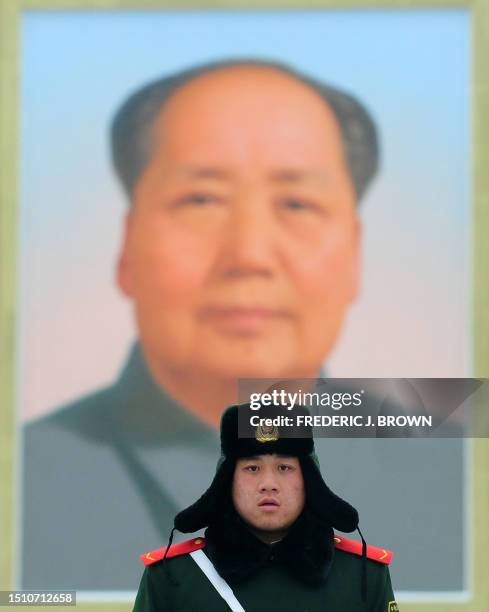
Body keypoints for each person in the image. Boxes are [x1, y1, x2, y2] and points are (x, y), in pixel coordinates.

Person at [21, 59, 463, 593]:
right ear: (127, 246)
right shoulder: (22, 480)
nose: (250, 255)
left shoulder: (457, 480)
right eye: (201, 199)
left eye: (297, 203)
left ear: (355, 254)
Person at [133, 402, 398, 611]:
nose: (268, 483)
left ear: (310, 481)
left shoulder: (363, 575)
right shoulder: (172, 576)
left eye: (284, 468)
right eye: (252, 468)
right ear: (227, 481)